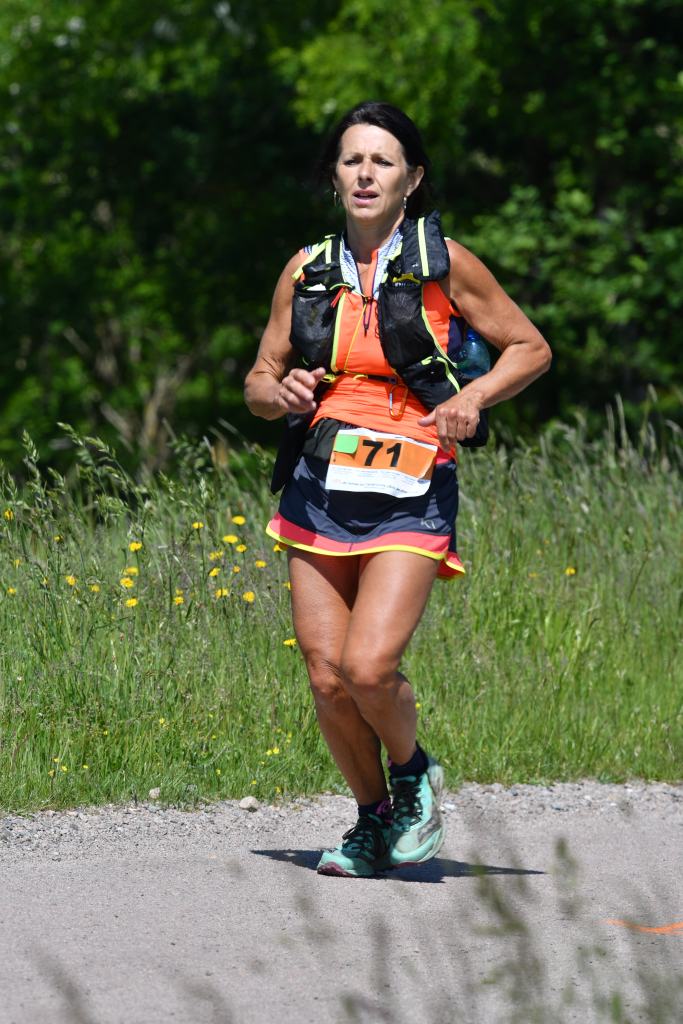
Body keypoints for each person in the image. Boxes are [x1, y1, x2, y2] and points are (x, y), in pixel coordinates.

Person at [244, 101, 551, 878]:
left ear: (410, 179)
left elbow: (529, 348)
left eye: (381, 162)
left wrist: (472, 398)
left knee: (368, 666)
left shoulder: (446, 262)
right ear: (334, 175)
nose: (364, 174)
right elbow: (258, 379)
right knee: (326, 676)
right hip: (319, 483)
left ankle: (413, 775)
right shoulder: (306, 269)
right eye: (351, 160)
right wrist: (277, 393)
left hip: (412, 480)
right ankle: (372, 820)